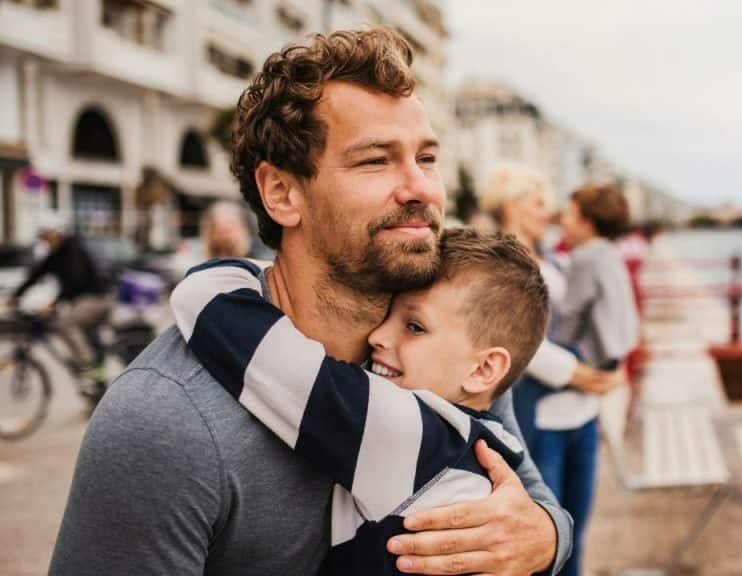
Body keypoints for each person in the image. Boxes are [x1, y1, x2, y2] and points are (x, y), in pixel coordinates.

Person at [49, 28, 569, 575]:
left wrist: (545, 538)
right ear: (281, 192)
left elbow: (530, 498)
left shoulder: (441, 348)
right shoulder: (165, 423)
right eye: (375, 161)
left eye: (427, 157)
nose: (421, 188)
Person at [168, 228, 550, 573]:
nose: (379, 335)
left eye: (414, 327)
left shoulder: (404, 431)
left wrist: (270, 270)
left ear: (484, 370)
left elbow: (205, 303)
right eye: (388, 314)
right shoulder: (482, 444)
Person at [476, 165, 623, 450]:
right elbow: (512, 339)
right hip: (540, 419)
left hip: (583, 411)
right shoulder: (496, 268)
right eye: (539, 204)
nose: (548, 214)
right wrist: (579, 375)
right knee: (543, 495)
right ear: (512, 207)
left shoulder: (556, 263)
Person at [547, 183, 640, 576]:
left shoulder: (584, 256)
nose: (561, 220)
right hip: (616, 353)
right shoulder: (610, 254)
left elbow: (569, 317)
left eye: (568, 214)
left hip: (589, 358)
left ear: (586, 221)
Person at [8, 211, 111, 383]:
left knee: (65, 324)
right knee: (71, 326)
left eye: (46, 236)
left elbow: (74, 281)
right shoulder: (56, 254)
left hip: (96, 299)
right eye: (42, 237)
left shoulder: (72, 250)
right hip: (81, 301)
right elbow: (36, 275)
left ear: (56, 233)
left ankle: (89, 366)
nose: (44, 241)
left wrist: (53, 305)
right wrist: (15, 297)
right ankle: (92, 375)